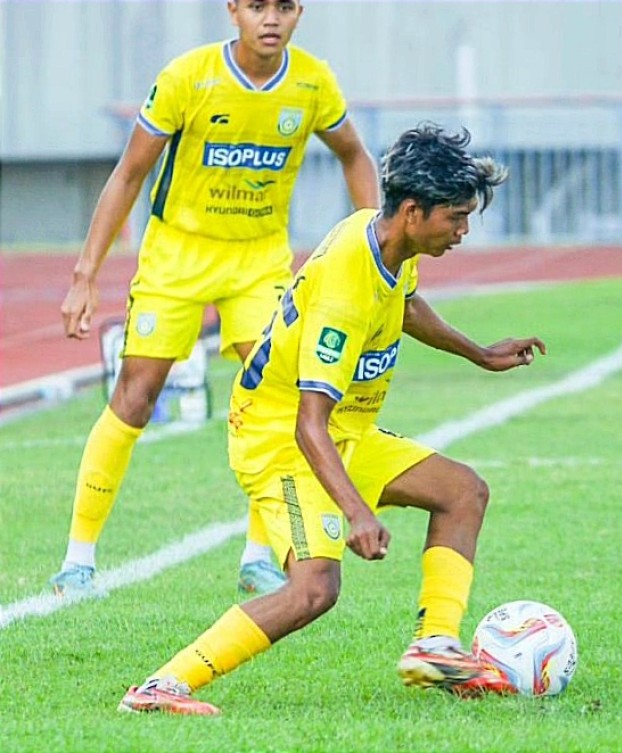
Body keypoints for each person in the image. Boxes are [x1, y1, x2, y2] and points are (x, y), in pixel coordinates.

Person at [119, 124, 545, 715]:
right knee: (315, 588)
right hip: (281, 439)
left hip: (343, 431)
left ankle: (435, 647)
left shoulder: (387, 242)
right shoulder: (346, 288)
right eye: (456, 217)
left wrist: (479, 353)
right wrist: (358, 513)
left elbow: (404, 305)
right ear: (413, 212)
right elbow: (307, 425)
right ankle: (162, 685)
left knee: (462, 491)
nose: (463, 231)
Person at [52, 0, 379, 598]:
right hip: (177, 255)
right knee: (135, 397)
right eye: (257, 6)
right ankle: (78, 559)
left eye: (284, 6)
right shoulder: (188, 77)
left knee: (279, 397)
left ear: (299, 13)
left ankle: (259, 555)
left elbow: (354, 154)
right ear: (233, 11)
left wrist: (370, 242)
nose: (270, 18)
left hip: (259, 261)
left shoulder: (312, 82)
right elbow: (129, 173)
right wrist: (85, 273)